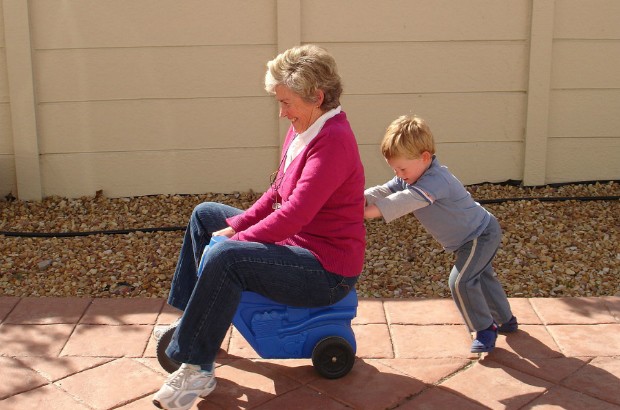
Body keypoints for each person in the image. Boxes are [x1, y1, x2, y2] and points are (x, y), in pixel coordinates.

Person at [152, 44, 366, 410]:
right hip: (298, 244)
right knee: (206, 215)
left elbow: (295, 214)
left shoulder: (333, 143)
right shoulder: (307, 128)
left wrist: (234, 242)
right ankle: (196, 322)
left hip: (326, 271)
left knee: (227, 259)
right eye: (279, 102)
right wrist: (235, 227)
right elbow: (276, 194)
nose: (282, 113)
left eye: (286, 103)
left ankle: (196, 367)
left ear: (317, 96)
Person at [363, 115, 518, 354]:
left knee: (461, 281)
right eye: (394, 168)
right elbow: (386, 189)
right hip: (469, 238)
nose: (399, 173)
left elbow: (405, 200)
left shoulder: (436, 180)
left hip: (480, 234)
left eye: (402, 168)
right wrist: (360, 198)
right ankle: (506, 319)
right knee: (483, 278)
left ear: (425, 157)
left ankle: (485, 328)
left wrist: (369, 212)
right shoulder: (410, 175)